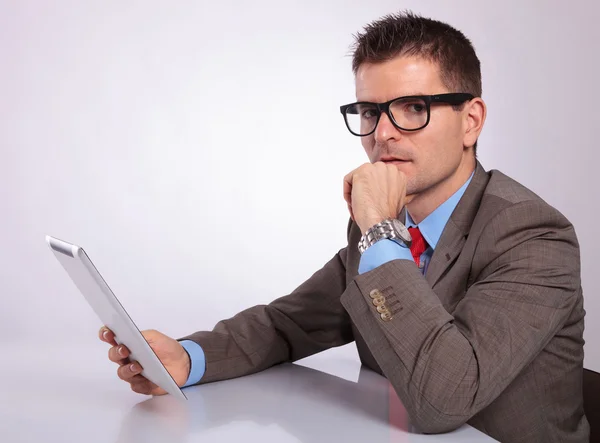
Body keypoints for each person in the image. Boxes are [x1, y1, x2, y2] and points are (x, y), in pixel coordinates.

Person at [99, 11, 589, 442]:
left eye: (414, 108)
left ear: (471, 121)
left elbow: (445, 399)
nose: (383, 133)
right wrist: (188, 358)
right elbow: (288, 324)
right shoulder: (384, 228)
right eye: (371, 111)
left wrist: (377, 227)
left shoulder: (533, 235)